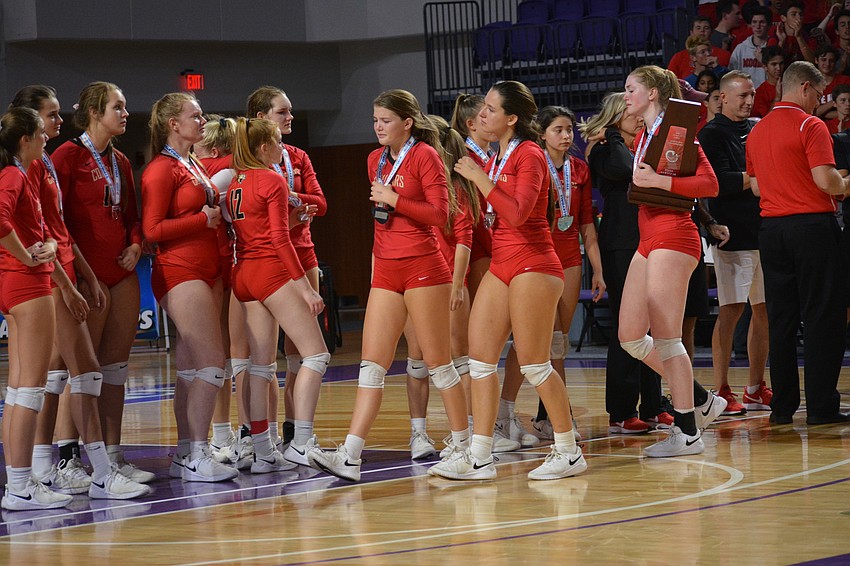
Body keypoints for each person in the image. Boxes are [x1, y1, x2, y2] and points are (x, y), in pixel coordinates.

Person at [308, 89, 470, 482]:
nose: (378, 127)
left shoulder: (426, 156)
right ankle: (350, 453)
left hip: (424, 267)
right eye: (375, 120)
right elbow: (381, 220)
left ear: (407, 123)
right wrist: (374, 269)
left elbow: (439, 214)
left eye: (386, 120)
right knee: (371, 366)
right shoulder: (373, 160)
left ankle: (466, 448)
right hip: (386, 268)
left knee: (437, 362)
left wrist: (395, 198)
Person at [430, 80, 587, 481]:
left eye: (492, 110)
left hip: (535, 263)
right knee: (481, 361)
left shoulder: (530, 154)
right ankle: (480, 455)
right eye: (483, 109)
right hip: (503, 262)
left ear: (512, 118)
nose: (483, 115)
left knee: (536, 363)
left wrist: (480, 178)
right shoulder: (501, 154)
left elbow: (517, 214)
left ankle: (568, 450)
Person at [11, 85, 150, 500]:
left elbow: (58, 230)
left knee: (58, 376)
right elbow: (28, 231)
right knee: (47, 379)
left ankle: (48, 471)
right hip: (44, 280)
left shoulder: (46, 164)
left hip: (72, 272)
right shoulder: (38, 165)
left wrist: (86, 270)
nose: (59, 120)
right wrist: (67, 278)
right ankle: (56, 469)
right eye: (51, 115)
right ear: (29, 123)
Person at [51, 82, 154, 485]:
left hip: (120, 272)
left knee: (115, 369)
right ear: (94, 111)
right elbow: (54, 220)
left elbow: (131, 214)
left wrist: (134, 244)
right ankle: (68, 459)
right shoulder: (67, 155)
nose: (125, 113)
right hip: (84, 276)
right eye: (118, 107)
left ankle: (113, 456)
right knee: (82, 370)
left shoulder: (122, 162)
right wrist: (74, 274)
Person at [620, 65, 724, 458]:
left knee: (666, 337)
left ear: (652, 94)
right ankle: (701, 398)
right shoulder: (645, 136)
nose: (626, 95)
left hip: (674, 236)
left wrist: (659, 182)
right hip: (649, 238)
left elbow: (709, 185)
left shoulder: (677, 135)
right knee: (630, 336)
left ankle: (687, 430)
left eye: (631, 89)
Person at [746, 60, 850, 425]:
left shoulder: (756, 132)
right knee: (823, 316)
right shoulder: (811, 124)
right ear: (804, 87)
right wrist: (845, 184)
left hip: (771, 231)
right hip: (812, 228)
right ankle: (821, 408)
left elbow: (757, 186)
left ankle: (783, 406)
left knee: (782, 319)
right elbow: (826, 181)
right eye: (818, 93)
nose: (819, 101)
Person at [142, 92, 237, 482]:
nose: (202, 121)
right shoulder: (161, 170)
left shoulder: (191, 162)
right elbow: (151, 231)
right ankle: (199, 453)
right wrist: (203, 221)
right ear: (173, 124)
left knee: (190, 368)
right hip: (180, 271)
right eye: (195, 116)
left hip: (206, 269)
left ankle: (185, 452)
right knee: (213, 362)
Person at [226, 117, 329, 472]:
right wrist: (304, 289)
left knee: (261, 365)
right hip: (270, 272)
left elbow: (257, 229)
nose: (281, 148)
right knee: (316, 355)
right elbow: (279, 241)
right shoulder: (271, 178)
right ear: (262, 148)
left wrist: (296, 219)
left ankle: (262, 452)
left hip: (244, 274)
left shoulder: (236, 180)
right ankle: (301, 443)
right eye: (276, 142)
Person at [579, 92, 672, 434]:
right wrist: (615, 135)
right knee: (627, 325)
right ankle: (620, 410)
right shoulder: (606, 149)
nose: (638, 115)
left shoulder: (644, 145)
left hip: (649, 241)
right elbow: (621, 168)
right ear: (617, 117)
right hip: (619, 245)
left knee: (652, 326)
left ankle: (651, 405)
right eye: (630, 112)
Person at [0, 106, 72, 510]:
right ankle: (22, 487)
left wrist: (42, 248)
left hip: (14, 283)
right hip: (27, 284)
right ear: (25, 139)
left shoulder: (14, 172)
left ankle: (19, 484)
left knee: (17, 390)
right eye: (41, 135)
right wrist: (29, 257)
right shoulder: (13, 174)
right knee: (30, 389)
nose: (47, 138)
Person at [246, 86, 324, 456]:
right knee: (257, 356)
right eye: (282, 112)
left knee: (298, 354)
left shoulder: (296, 157)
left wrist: (291, 200)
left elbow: (320, 203)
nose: (290, 118)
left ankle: (293, 432)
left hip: (303, 254)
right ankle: (253, 437)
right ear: (261, 119)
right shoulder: (246, 165)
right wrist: (287, 204)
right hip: (268, 261)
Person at [403, 115, 481, 459]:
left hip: (446, 280)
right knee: (417, 360)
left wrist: (457, 283)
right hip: (411, 278)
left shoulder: (454, 188)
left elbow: (464, 238)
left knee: (458, 360)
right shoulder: (403, 182)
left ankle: (465, 432)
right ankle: (418, 435)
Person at [698, 70, 773, 415]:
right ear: (723, 97)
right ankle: (722, 387)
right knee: (731, 309)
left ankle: (757, 387)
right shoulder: (710, 135)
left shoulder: (757, 128)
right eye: (741, 95)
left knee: (764, 309)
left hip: (765, 230)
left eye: (751, 94)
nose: (747, 101)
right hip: (731, 234)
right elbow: (720, 182)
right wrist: (761, 175)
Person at [193, 115, 244, 465]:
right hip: (231, 257)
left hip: (212, 259)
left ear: (211, 147)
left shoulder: (210, 169)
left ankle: (222, 434)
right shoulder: (237, 166)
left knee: (215, 353)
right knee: (231, 351)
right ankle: (237, 434)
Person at [450, 93, 495, 302]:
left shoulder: (495, 156)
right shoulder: (464, 160)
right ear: (471, 124)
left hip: (496, 240)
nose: (491, 120)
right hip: (477, 245)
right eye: (484, 116)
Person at [668, 18, 732, 79]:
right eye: (698, 28)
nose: (702, 31)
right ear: (691, 32)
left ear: (712, 32)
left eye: (706, 28)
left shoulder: (725, 55)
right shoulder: (678, 57)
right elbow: (671, 82)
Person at [729, 5, 772, 88]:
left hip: (766, 95)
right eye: (754, 22)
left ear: (769, 25)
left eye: (762, 22)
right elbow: (731, 75)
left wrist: (763, 61)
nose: (758, 26)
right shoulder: (740, 49)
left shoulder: (773, 47)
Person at [813, 45, 850, 117]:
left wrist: (822, 114)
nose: (827, 64)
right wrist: (835, 100)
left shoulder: (845, 81)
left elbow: (847, 113)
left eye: (831, 61)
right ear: (816, 60)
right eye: (823, 60)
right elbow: (812, 113)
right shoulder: (812, 85)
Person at [753, 46, 787, 116]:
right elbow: (766, 120)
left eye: (781, 64)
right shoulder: (760, 93)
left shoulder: (792, 86)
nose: (778, 68)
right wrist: (777, 98)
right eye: (774, 64)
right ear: (765, 67)